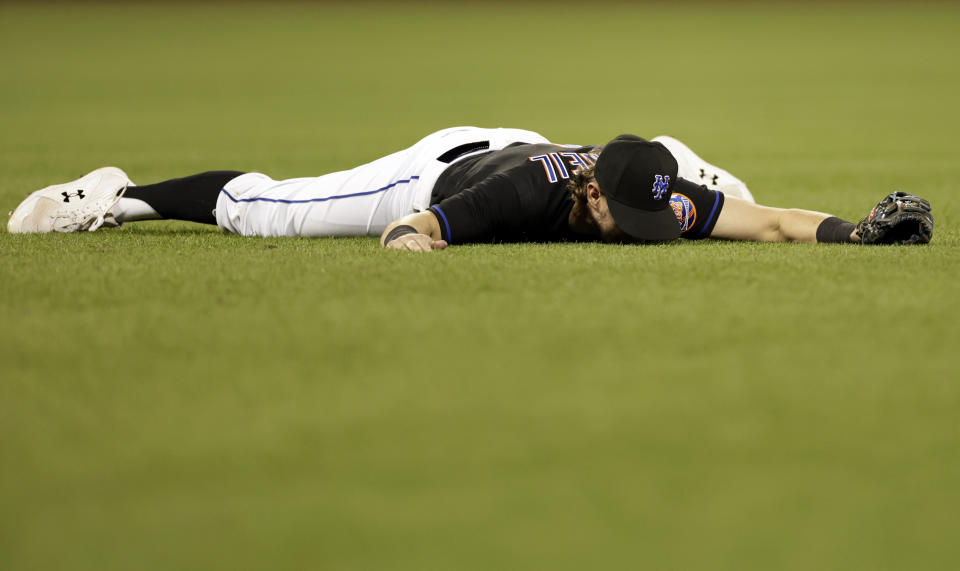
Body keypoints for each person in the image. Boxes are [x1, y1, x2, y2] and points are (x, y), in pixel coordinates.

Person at [6, 126, 933, 248]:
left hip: (540, 140)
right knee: (268, 214)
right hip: (452, 164)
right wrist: (419, 241)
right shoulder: (527, 194)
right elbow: (419, 228)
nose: (647, 225)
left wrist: (853, 231)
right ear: (597, 197)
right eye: (633, 213)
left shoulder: (659, 194)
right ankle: (120, 194)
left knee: (728, 189)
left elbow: (769, 221)